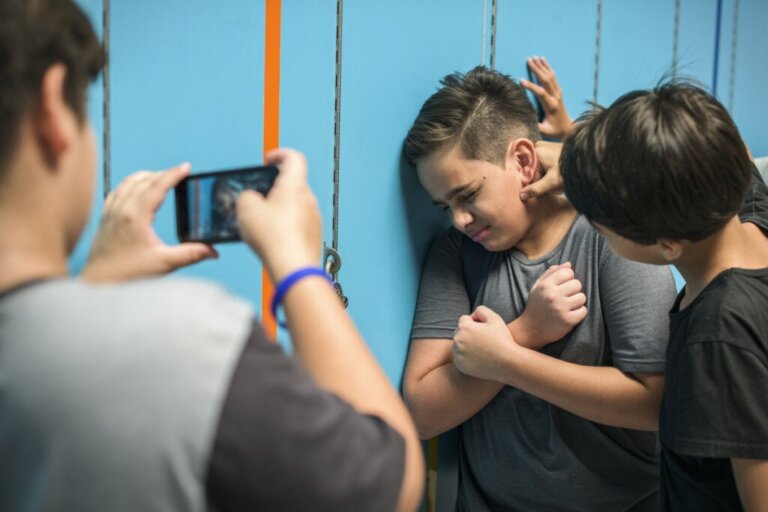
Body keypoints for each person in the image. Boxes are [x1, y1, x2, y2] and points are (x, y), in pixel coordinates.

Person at [0, 1, 423, 511]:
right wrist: (300, 269)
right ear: (52, 109)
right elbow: (386, 484)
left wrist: (95, 285)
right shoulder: (185, 341)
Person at [402, 66, 677, 511]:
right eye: (445, 205)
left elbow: (654, 403)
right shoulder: (454, 253)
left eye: (467, 194)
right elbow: (423, 413)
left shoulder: (611, 237)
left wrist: (509, 362)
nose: (458, 219)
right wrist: (524, 333)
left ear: (525, 162)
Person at [556, 83, 768, 510]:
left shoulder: (719, 336)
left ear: (667, 244)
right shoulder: (752, 217)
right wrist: (578, 145)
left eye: (599, 226)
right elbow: (734, 151)